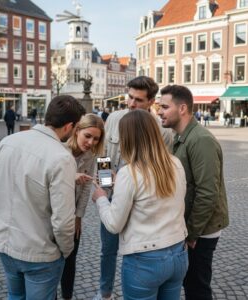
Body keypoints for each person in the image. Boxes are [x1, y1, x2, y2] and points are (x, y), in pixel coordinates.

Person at [0, 95, 85, 300]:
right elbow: (63, 221)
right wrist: (65, 252)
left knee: (15, 295)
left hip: (5, 243)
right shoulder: (62, 157)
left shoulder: (7, 142)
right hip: (40, 252)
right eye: (76, 128)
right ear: (69, 126)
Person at [92, 109, 188, 300]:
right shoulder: (175, 163)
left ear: (127, 138)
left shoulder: (131, 172)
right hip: (178, 253)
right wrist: (120, 181)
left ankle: (104, 293)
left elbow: (113, 224)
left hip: (145, 260)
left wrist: (101, 198)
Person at [158, 85, 229, 300]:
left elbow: (208, 192)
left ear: (182, 109)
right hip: (191, 227)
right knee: (191, 283)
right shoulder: (179, 137)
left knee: (197, 287)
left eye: (164, 107)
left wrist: (192, 232)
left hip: (201, 230)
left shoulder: (200, 140)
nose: (159, 111)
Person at [59, 114, 105, 300]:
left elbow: (87, 188)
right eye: (87, 136)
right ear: (76, 130)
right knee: (52, 263)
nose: (91, 142)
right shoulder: (60, 150)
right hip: (56, 213)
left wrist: (79, 216)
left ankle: (67, 296)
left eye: (95, 139)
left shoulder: (92, 155)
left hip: (73, 216)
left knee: (70, 261)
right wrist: (71, 176)